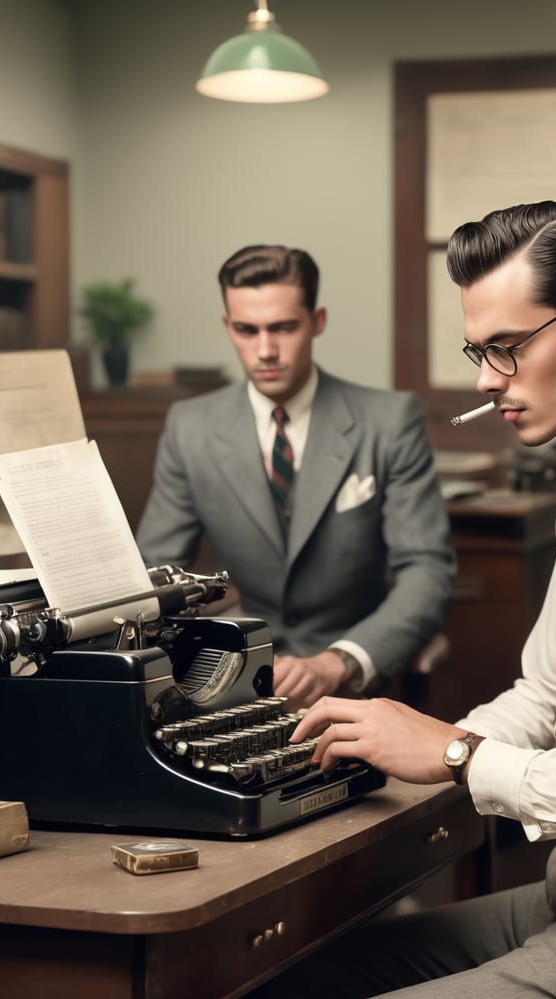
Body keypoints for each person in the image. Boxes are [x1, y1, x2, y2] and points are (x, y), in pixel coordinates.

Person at [235, 202, 556, 999]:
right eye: (479, 351)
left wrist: (455, 755)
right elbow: (541, 701)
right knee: (281, 981)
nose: (484, 378)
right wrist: (388, 749)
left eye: (506, 348)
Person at [136, 244, 455, 708]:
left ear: (317, 321)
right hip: (233, 673)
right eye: (247, 330)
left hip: (354, 675)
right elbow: (157, 576)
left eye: (283, 327)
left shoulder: (390, 420)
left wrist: (341, 661)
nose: (265, 350)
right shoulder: (190, 427)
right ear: (228, 327)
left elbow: (428, 572)